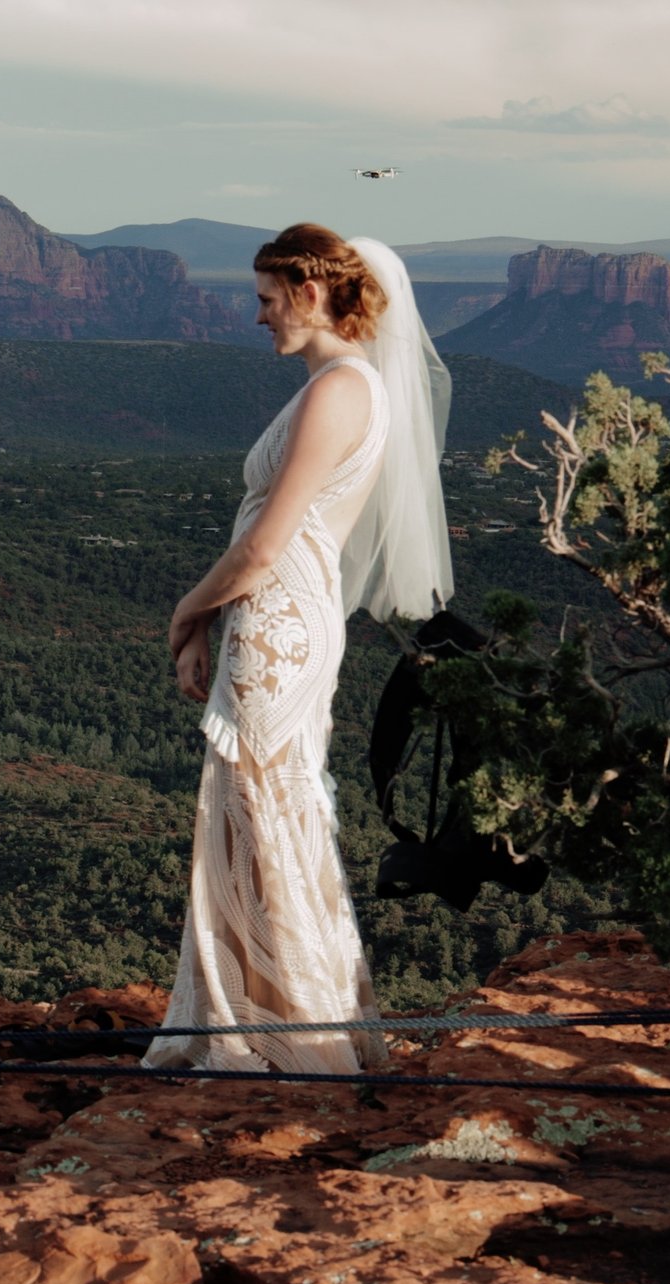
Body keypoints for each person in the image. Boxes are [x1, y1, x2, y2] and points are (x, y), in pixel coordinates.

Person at [144, 225, 453, 1074]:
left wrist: (185, 611)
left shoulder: (338, 392)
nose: (258, 316)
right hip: (277, 620)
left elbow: (263, 548)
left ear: (313, 295)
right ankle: (263, 1011)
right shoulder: (344, 385)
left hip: (275, 623)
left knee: (264, 811)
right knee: (268, 811)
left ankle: (280, 1032)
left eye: (268, 299)